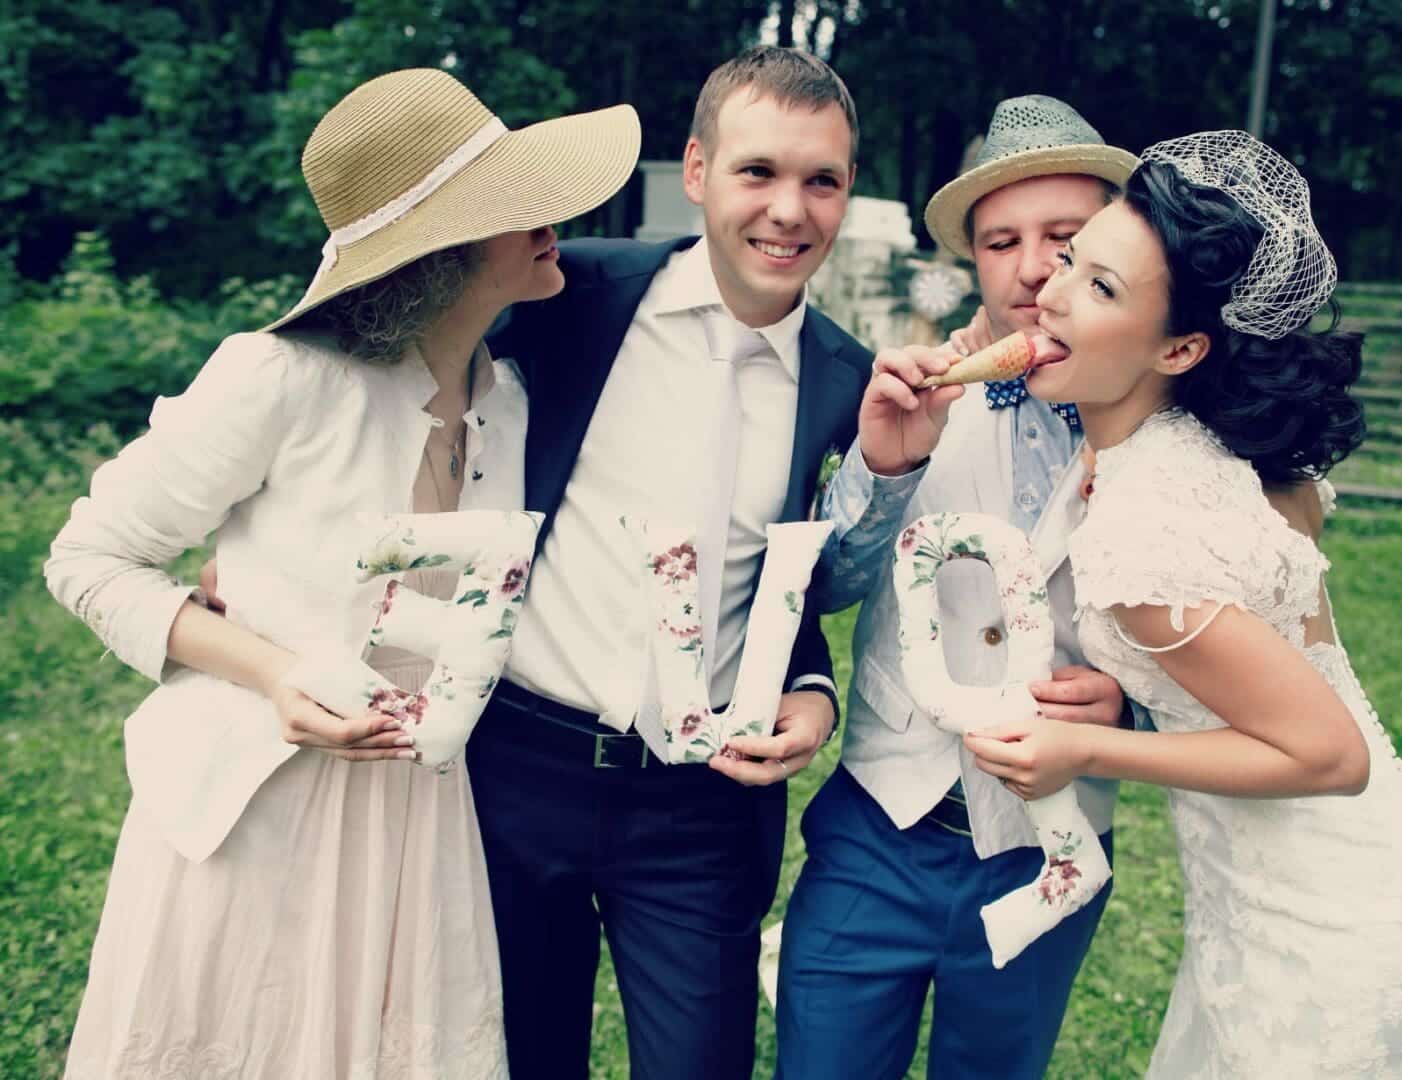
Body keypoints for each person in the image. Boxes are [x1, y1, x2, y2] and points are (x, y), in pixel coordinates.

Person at [44, 68, 640, 1078]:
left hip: (415, 815)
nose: (557, 219)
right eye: (516, 204)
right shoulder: (279, 379)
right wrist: (276, 672)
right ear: (442, 249)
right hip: (259, 809)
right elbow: (90, 558)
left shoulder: (512, 404)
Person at [963, 130, 1402, 1076]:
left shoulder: (1145, 530)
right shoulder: (1198, 447)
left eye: (1100, 287)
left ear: (1182, 345)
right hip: (1311, 885)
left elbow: (1331, 755)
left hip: (1323, 918)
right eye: (1073, 263)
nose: (1047, 288)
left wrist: (1084, 746)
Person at [468, 46, 884, 1079]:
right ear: (695, 171)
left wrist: (811, 686)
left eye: (819, 180)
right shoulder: (572, 295)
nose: (789, 210)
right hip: (517, 767)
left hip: (700, 803)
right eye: (758, 172)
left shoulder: (846, 380)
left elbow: (799, 580)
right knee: (523, 1059)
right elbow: (412, 403)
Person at [775, 96, 1140, 1079]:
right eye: (1000, 242)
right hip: (875, 829)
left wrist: (1127, 705)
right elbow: (830, 591)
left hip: (1050, 843)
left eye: (1062, 241)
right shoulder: (915, 393)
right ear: (970, 259)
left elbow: (1211, 645)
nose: (1030, 269)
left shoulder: (1161, 437)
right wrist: (884, 469)